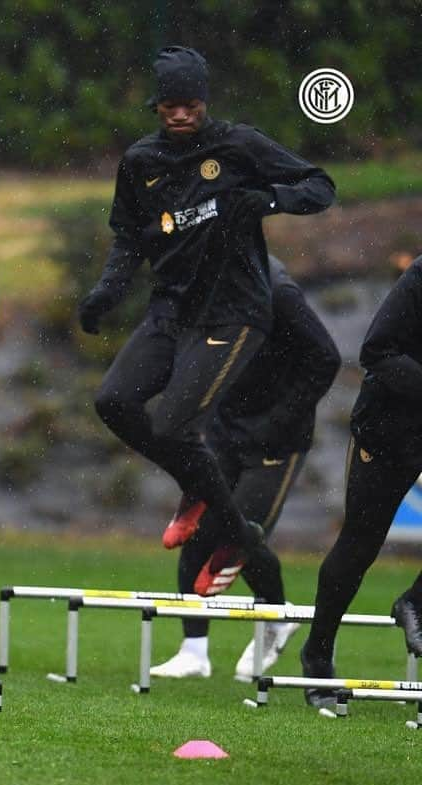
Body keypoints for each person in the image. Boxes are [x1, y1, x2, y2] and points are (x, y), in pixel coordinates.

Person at [78, 46, 335, 589]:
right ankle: (207, 496)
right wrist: (106, 290)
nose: (179, 115)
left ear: (204, 101)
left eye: (189, 104)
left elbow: (319, 186)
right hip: (170, 309)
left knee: (174, 422)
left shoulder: (237, 145)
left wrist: (266, 200)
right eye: (169, 105)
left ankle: (227, 521)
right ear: (156, 106)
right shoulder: (140, 162)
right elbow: (128, 237)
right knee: (113, 402)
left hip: (234, 311)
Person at [150, 257, 340, 680]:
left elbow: (325, 358)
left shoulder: (281, 294)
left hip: (278, 438)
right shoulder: (207, 282)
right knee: (200, 528)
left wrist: (279, 419)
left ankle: (277, 616)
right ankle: (194, 650)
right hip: (224, 428)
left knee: (239, 530)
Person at [300, 256, 422, 708]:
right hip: (389, 427)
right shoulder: (419, 279)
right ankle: (317, 655)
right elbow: (377, 352)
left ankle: (414, 601)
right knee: (360, 544)